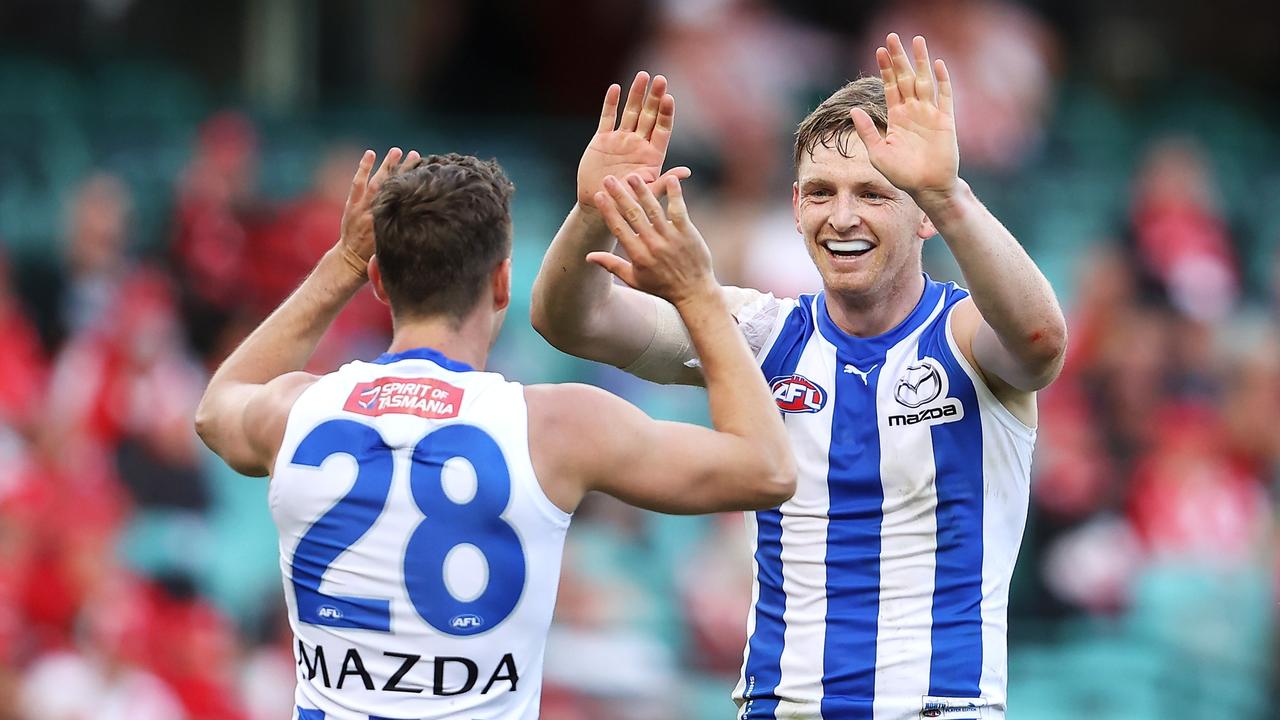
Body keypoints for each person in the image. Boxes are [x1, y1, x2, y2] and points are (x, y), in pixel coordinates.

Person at [531, 34, 1067, 719]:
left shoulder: (964, 336)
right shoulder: (763, 332)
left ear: (924, 215)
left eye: (874, 193)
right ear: (794, 207)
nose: (841, 217)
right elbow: (571, 321)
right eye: (821, 192)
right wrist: (591, 214)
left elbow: (1041, 342)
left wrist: (949, 192)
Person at [193, 148, 796, 720]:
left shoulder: (295, 409)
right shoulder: (556, 426)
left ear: (380, 281)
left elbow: (215, 408)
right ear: (503, 282)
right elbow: (767, 468)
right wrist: (696, 292)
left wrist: (341, 264)